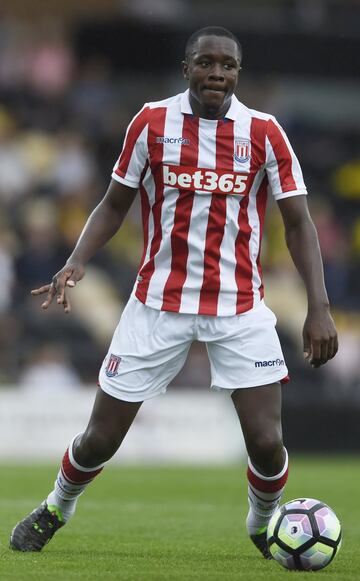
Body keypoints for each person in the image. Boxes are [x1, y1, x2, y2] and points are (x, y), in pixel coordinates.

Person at [10, 26, 338, 558]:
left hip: (239, 308)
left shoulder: (265, 132)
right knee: (100, 438)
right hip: (156, 305)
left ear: (238, 73)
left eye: (227, 66)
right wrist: (76, 261)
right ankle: (55, 508)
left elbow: (298, 222)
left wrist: (318, 307)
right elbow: (115, 202)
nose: (217, 73)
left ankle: (262, 525)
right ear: (186, 68)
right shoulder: (151, 122)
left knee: (267, 442)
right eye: (206, 63)